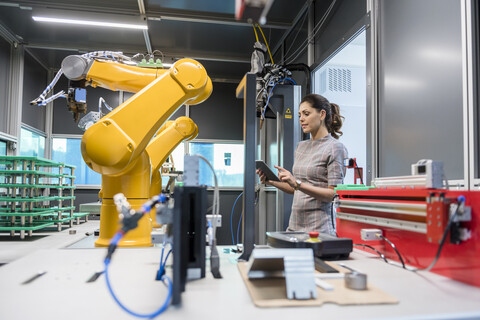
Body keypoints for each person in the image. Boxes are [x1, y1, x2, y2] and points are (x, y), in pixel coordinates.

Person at [256, 93, 347, 236]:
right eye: (299, 115)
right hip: (294, 227)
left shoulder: (335, 148)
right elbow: (296, 189)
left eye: (306, 114)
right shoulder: (301, 147)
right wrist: (271, 181)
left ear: (322, 114)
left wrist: (297, 183)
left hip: (320, 230)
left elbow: (333, 194)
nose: (301, 119)